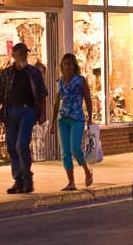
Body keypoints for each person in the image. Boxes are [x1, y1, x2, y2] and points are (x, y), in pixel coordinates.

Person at [0, 43, 48, 194]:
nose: (23, 56)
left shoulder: (34, 72)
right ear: (13, 55)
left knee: (21, 145)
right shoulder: (6, 74)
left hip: (27, 110)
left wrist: (43, 113)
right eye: (20, 53)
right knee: (11, 146)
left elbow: (42, 94)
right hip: (10, 112)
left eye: (25, 53)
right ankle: (18, 181)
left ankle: (27, 179)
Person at [50, 54, 94, 191]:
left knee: (75, 148)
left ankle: (87, 170)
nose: (67, 66)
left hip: (77, 118)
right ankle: (71, 182)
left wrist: (90, 118)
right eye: (65, 64)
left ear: (74, 66)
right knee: (65, 152)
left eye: (70, 64)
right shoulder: (60, 82)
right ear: (62, 67)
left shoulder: (80, 81)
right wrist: (52, 123)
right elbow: (57, 103)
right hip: (63, 119)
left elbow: (87, 98)